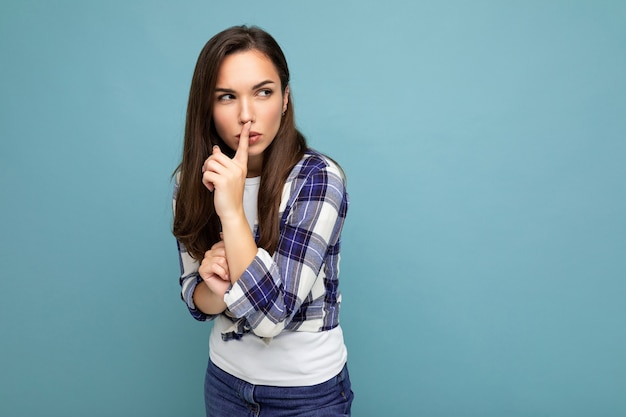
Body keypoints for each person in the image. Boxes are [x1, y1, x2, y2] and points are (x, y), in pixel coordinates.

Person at [172, 25, 354, 416]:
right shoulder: (190, 180)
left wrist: (232, 211)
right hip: (224, 384)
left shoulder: (318, 180)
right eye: (227, 97)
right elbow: (194, 294)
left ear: (285, 99)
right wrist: (218, 285)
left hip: (306, 395)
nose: (246, 115)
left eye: (263, 92)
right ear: (207, 105)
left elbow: (272, 317)